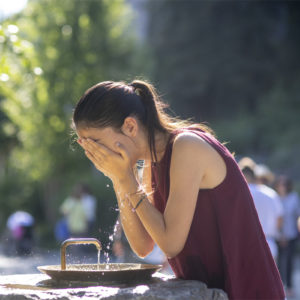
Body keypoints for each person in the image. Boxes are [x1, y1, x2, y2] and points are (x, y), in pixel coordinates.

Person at [73, 80, 285, 299]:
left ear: (130, 126)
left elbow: (171, 244)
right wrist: (120, 178)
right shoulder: (151, 162)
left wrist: (127, 180)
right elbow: (143, 246)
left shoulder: (187, 146)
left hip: (247, 290)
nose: (94, 152)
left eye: (95, 142)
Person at [238, 157, 283, 260]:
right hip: (269, 243)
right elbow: (280, 219)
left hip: (246, 245)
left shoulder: (238, 194)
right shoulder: (270, 193)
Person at [274, 175, 300, 297]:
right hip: (278, 235)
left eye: (284, 184)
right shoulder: (274, 197)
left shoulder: (293, 198)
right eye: (280, 184)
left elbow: (297, 215)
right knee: (277, 262)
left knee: (289, 261)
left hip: (291, 234)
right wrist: (280, 234)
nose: (282, 186)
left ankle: (289, 286)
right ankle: (279, 286)